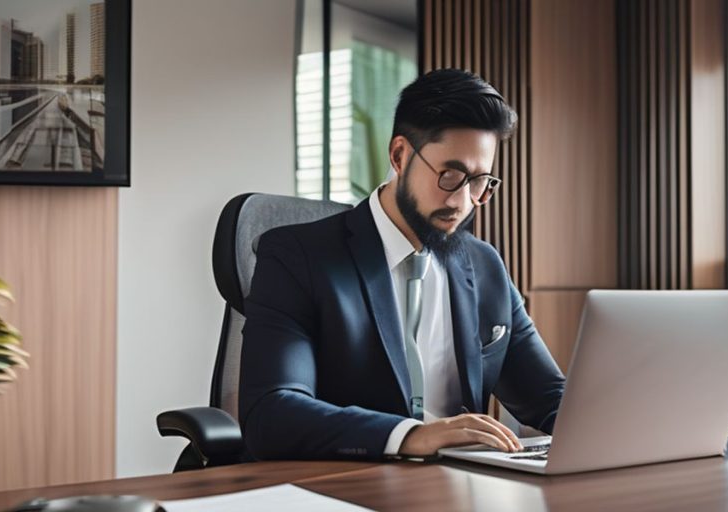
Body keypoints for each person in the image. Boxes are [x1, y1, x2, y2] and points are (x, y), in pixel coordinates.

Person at [239, 68, 565, 460]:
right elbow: (272, 413)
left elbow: (550, 398)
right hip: (343, 485)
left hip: (458, 489)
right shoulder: (297, 256)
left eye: (480, 181)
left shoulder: (484, 264)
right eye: (450, 175)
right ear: (399, 155)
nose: (462, 203)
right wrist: (411, 435)